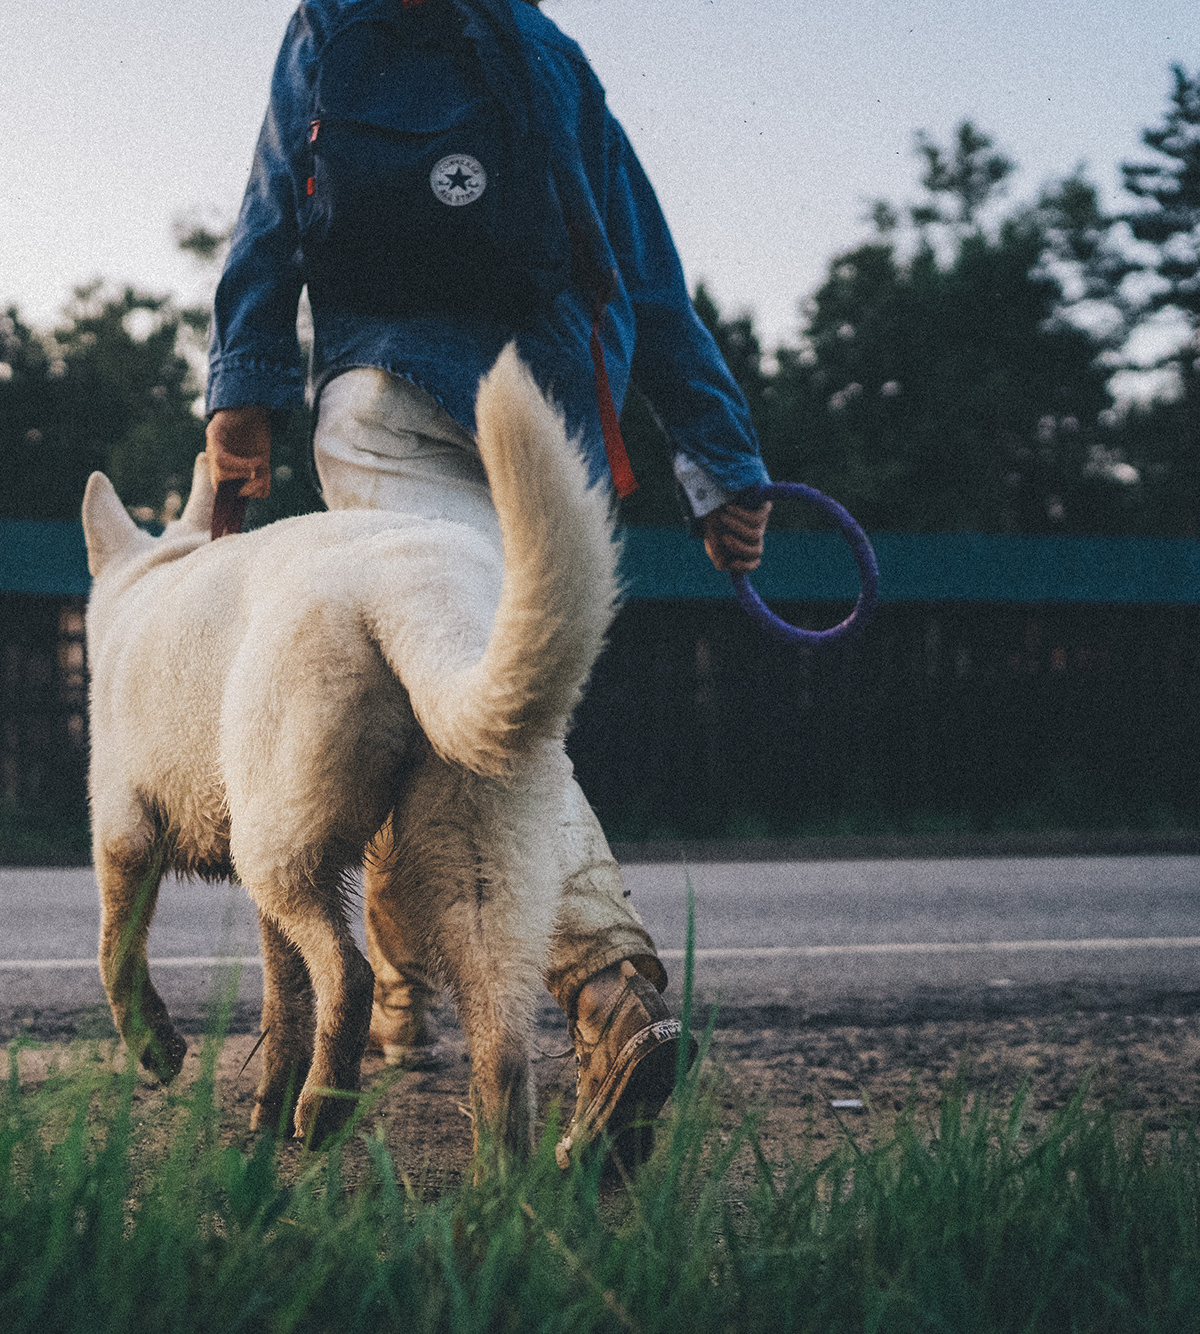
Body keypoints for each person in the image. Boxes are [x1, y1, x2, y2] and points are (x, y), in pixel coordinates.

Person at [203, 0, 771, 1170]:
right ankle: (422, 998)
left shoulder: (332, 23)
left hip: (383, 402)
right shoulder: (545, 53)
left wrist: (240, 395)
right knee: (451, 705)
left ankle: (607, 988)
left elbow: (271, 219)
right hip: (542, 425)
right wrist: (720, 464)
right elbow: (645, 278)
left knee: (470, 708)